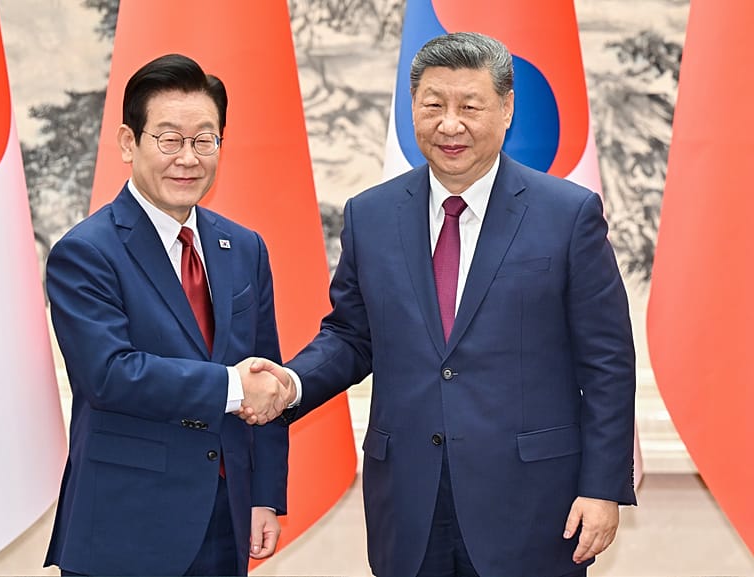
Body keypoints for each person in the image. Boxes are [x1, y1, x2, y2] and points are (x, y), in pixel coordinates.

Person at [245, 32, 637, 577]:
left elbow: (608, 364)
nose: (450, 125)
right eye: (433, 105)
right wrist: (292, 383)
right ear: (413, 109)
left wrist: (602, 488)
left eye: (469, 107)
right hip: (409, 502)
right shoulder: (371, 215)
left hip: (533, 506)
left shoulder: (567, 215)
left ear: (506, 109)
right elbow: (351, 337)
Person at [44, 53, 292, 576]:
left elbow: (264, 372)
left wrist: (264, 497)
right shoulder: (86, 252)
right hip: (125, 527)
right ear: (129, 143)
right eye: (169, 138)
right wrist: (229, 385)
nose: (188, 157)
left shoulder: (243, 247)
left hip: (225, 522)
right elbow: (109, 375)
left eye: (205, 139)